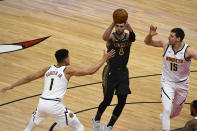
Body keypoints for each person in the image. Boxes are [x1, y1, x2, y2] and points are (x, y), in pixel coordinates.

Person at [1, 48, 115, 131]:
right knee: (79, 127)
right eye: (69, 56)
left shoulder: (48, 69)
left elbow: (28, 78)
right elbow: (90, 71)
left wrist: (12, 86)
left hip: (42, 104)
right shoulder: (67, 70)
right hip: (54, 105)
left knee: (29, 127)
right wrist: (104, 59)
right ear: (65, 59)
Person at [144, 25, 197, 131]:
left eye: (172, 36)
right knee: (167, 109)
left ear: (178, 39)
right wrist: (150, 35)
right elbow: (148, 42)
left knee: (176, 112)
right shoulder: (165, 44)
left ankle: (164, 118)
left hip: (182, 84)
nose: (169, 37)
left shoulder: (189, 51)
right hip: (167, 82)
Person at [92, 20, 136, 131]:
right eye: (117, 26)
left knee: (122, 102)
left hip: (123, 73)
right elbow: (104, 37)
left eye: (121, 26)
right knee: (107, 100)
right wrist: (112, 23)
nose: (119, 28)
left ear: (124, 27)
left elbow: (133, 38)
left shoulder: (128, 37)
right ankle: (96, 119)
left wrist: (130, 29)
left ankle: (109, 125)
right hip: (110, 71)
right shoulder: (112, 37)